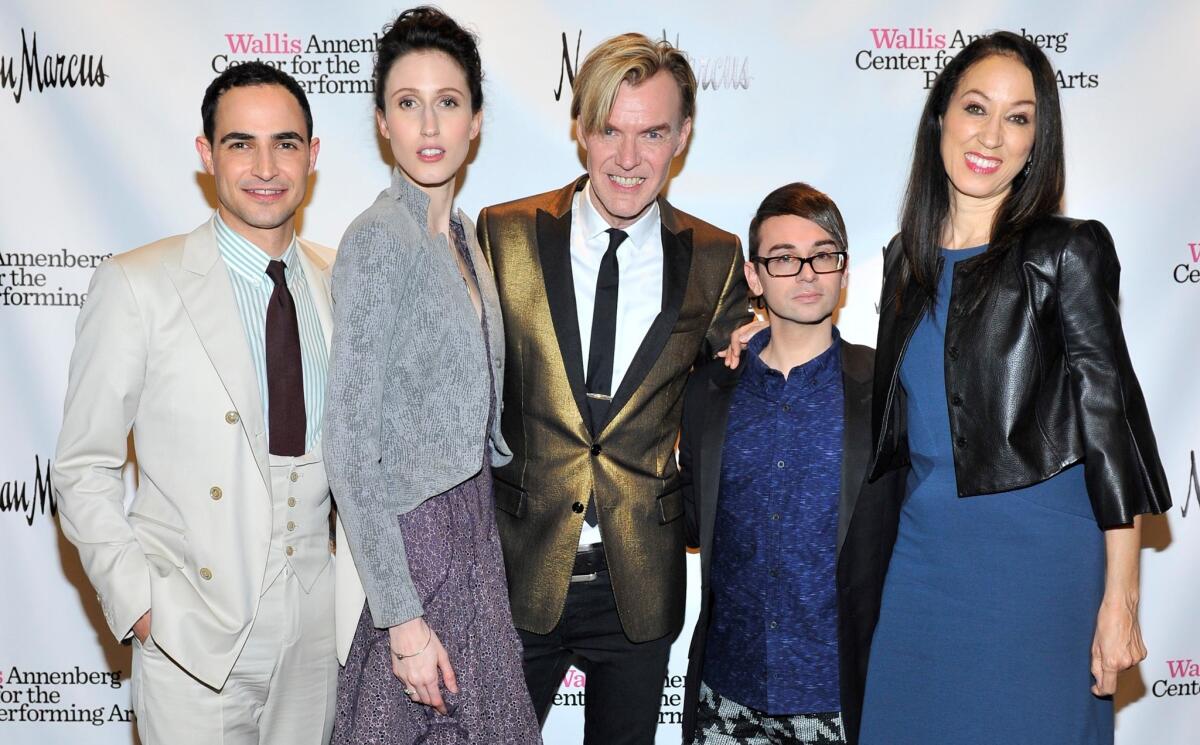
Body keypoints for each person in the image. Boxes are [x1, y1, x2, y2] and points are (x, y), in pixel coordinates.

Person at [856, 31, 1171, 744]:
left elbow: (1110, 427)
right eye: (975, 108)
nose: (992, 135)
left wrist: (1120, 598)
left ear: (1038, 140)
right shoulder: (903, 265)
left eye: (1019, 117)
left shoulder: (1068, 250)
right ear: (940, 116)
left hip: (1040, 567)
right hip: (923, 563)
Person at [475, 32, 752, 744]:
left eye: (652, 133)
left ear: (682, 136)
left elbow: (737, 397)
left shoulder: (718, 258)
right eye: (610, 130)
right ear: (580, 128)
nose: (628, 159)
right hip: (517, 569)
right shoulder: (503, 234)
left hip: (639, 579)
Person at [53, 62, 336, 743]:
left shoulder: (341, 280)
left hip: (320, 634)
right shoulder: (139, 285)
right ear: (207, 154)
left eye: (286, 143)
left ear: (313, 155)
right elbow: (80, 467)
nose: (265, 165)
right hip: (191, 631)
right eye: (241, 143)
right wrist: (140, 602)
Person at [323, 8, 540, 744]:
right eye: (406, 103)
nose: (428, 124)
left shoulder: (465, 237)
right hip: (418, 553)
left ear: (475, 119)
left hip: (474, 537)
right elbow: (348, 442)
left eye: (447, 101)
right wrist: (403, 619)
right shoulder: (378, 240)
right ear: (382, 121)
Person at [678, 183, 902, 745]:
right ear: (754, 278)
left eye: (823, 255)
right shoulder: (710, 389)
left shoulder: (886, 390)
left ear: (844, 271)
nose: (807, 272)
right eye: (783, 258)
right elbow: (683, 519)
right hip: (725, 696)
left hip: (842, 701)